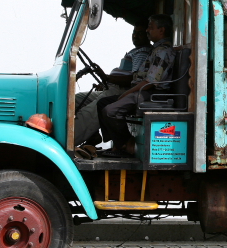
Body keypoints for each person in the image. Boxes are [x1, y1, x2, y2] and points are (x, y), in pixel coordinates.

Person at [97, 14, 175, 158]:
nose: (147, 31)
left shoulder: (163, 51)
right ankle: (118, 144)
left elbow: (149, 82)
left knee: (110, 110)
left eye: (150, 28)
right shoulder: (155, 49)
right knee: (102, 103)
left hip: (151, 93)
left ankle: (127, 144)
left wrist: (126, 94)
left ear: (161, 30)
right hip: (142, 91)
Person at [72, 24, 151, 147]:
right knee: (77, 99)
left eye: (140, 33)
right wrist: (106, 82)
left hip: (122, 91)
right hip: (111, 88)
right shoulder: (135, 51)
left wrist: (107, 77)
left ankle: (66, 144)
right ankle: (93, 136)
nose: (135, 36)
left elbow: (134, 79)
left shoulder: (143, 52)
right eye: (134, 33)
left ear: (148, 35)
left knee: (88, 113)